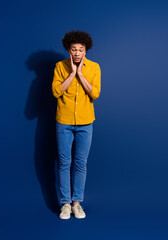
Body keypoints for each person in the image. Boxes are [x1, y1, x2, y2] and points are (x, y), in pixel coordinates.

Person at [52, 30, 101, 219]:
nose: (77, 53)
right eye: (74, 49)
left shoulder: (94, 68)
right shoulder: (59, 66)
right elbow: (56, 92)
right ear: (69, 50)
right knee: (64, 163)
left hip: (85, 122)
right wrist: (72, 73)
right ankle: (65, 204)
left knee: (81, 163)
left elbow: (94, 94)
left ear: (86, 51)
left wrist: (80, 74)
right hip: (63, 121)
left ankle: (77, 203)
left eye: (81, 49)